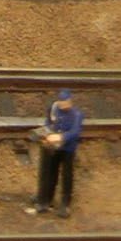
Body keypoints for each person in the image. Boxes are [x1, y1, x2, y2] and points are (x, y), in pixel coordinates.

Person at [25, 89, 84, 218]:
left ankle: (65, 204)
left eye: (65, 102)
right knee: (49, 173)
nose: (62, 105)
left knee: (66, 176)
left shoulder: (76, 115)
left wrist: (61, 137)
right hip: (53, 148)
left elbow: (75, 132)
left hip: (67, 149)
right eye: (60, 102)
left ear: (69, 101)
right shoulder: (53, 108)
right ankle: (45, 198)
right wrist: (46, 132)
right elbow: (48, 121)